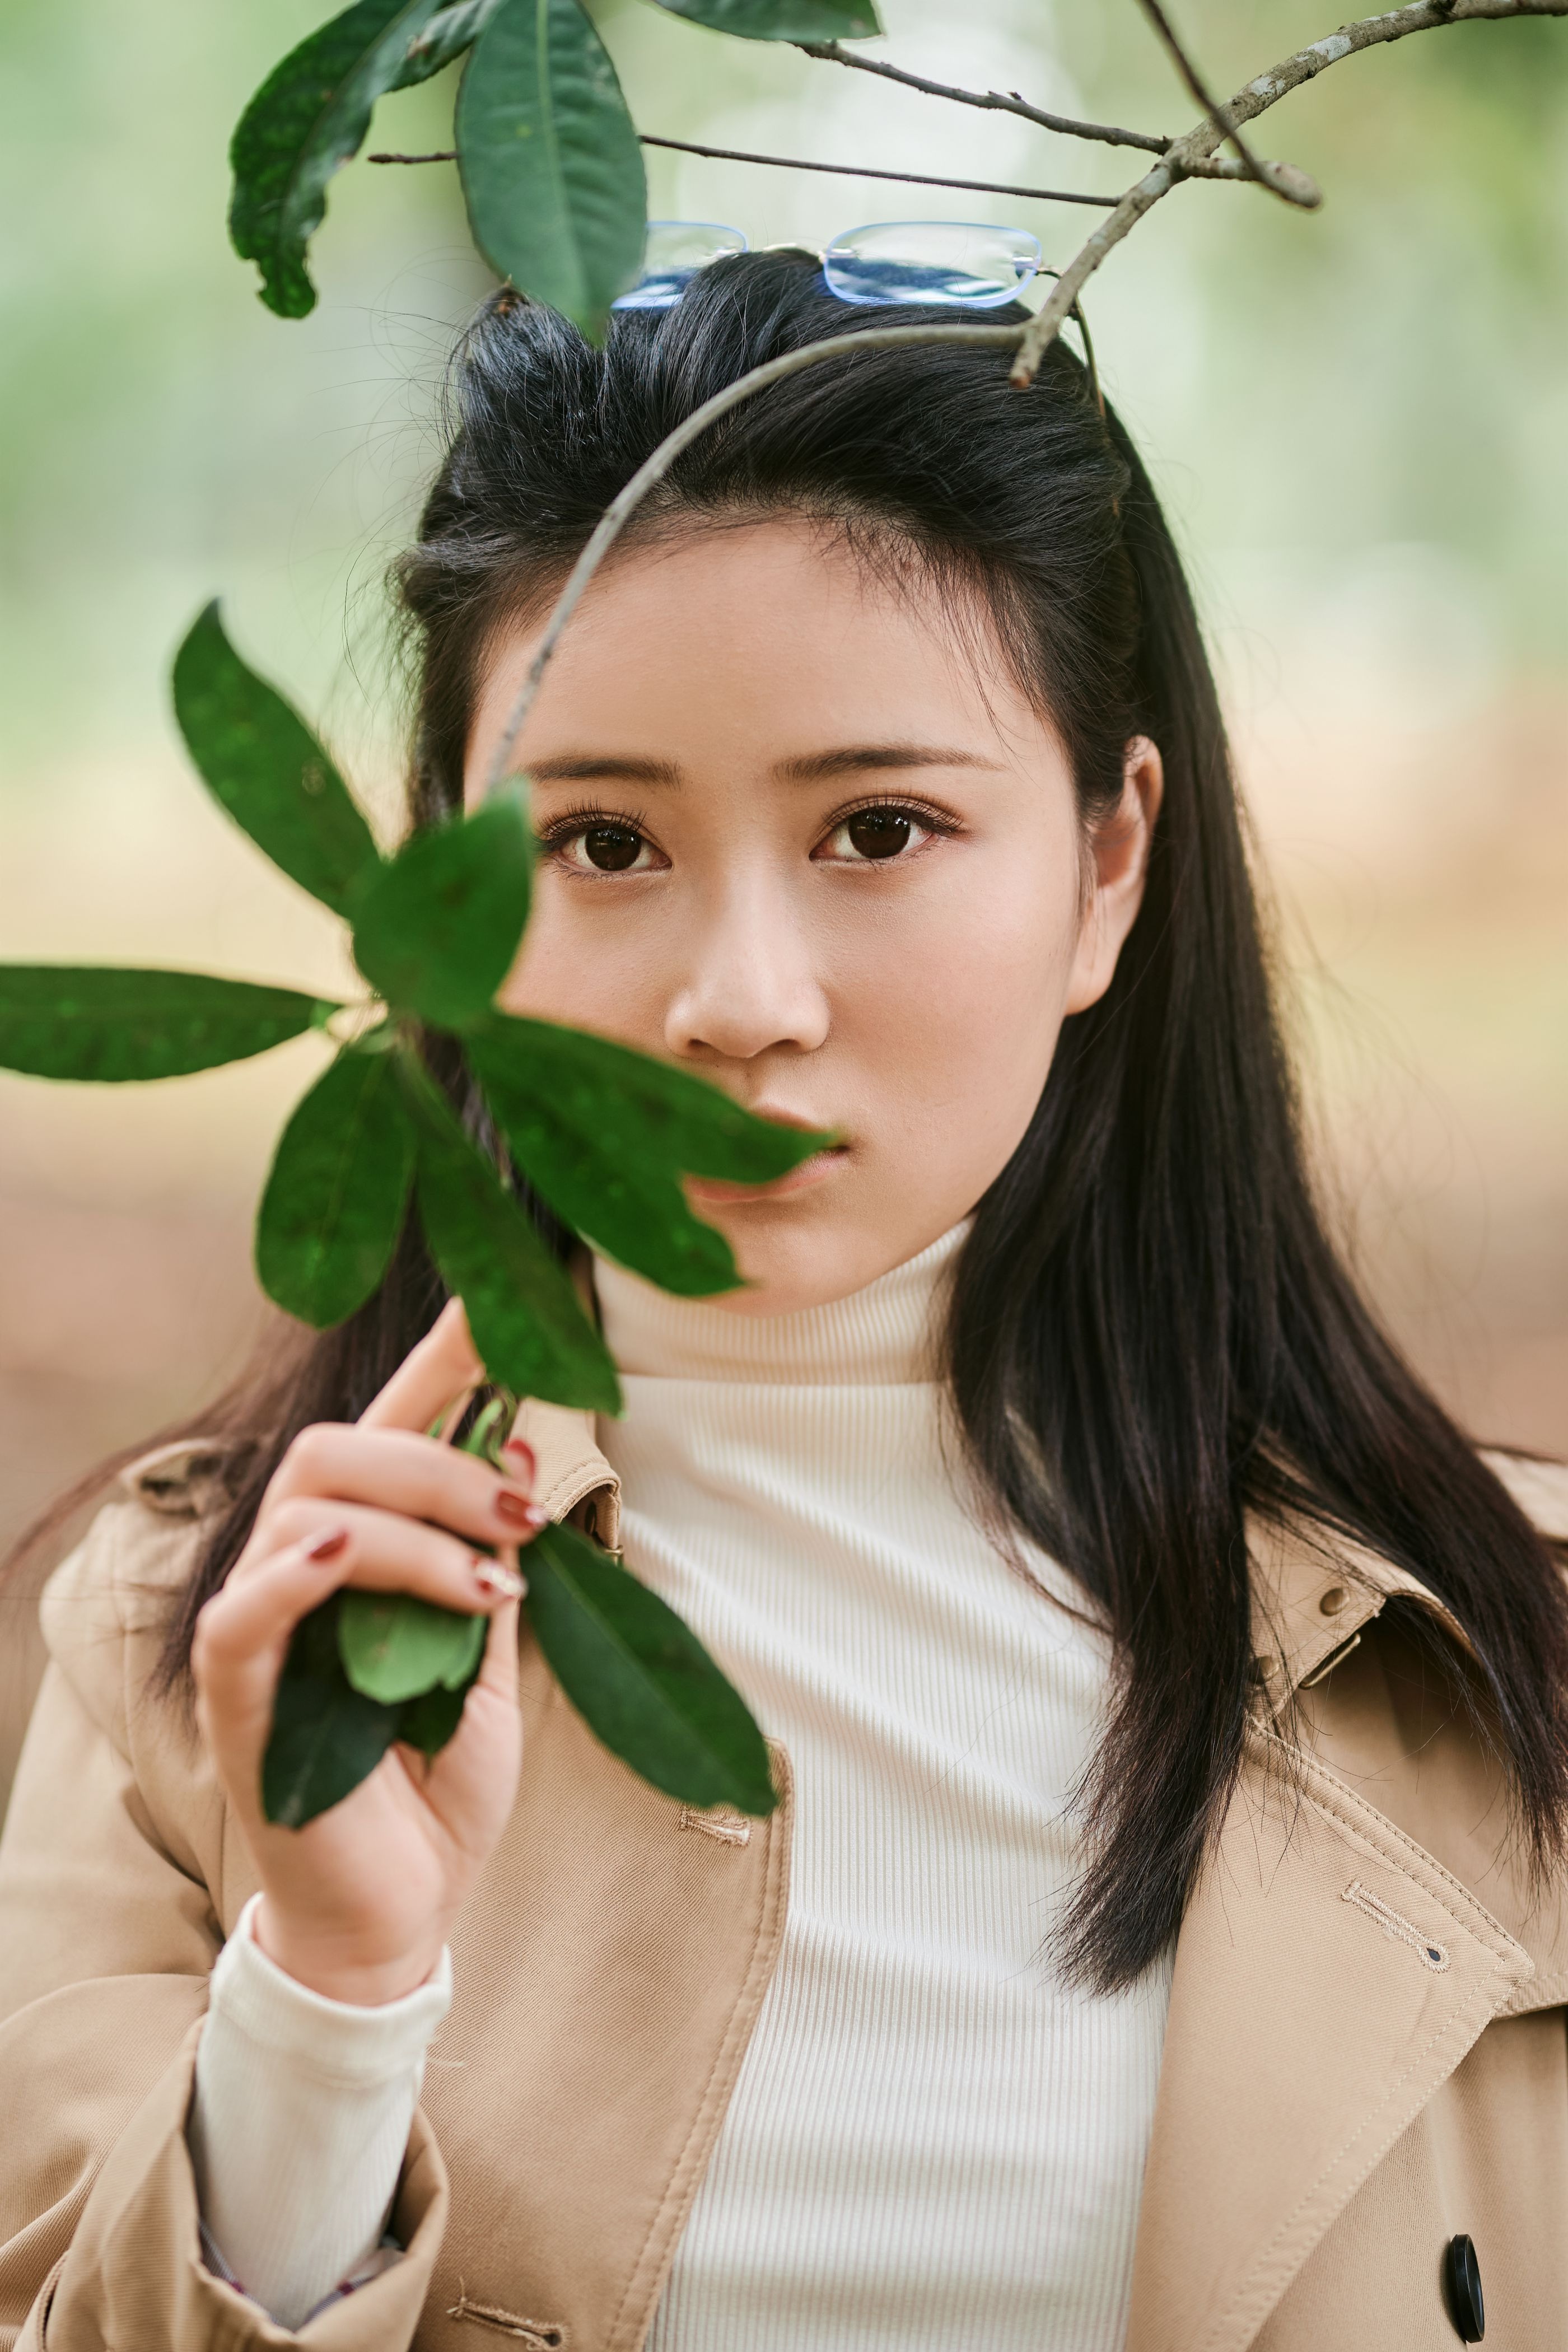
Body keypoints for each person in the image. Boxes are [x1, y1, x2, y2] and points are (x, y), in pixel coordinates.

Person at [2, 245, 1566, 2352]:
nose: (743, 1006)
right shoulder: (185, 1640)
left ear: (1111, 862)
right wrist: (329, 1996)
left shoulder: (1500, 1664)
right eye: (605, 850)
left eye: (882, 826)